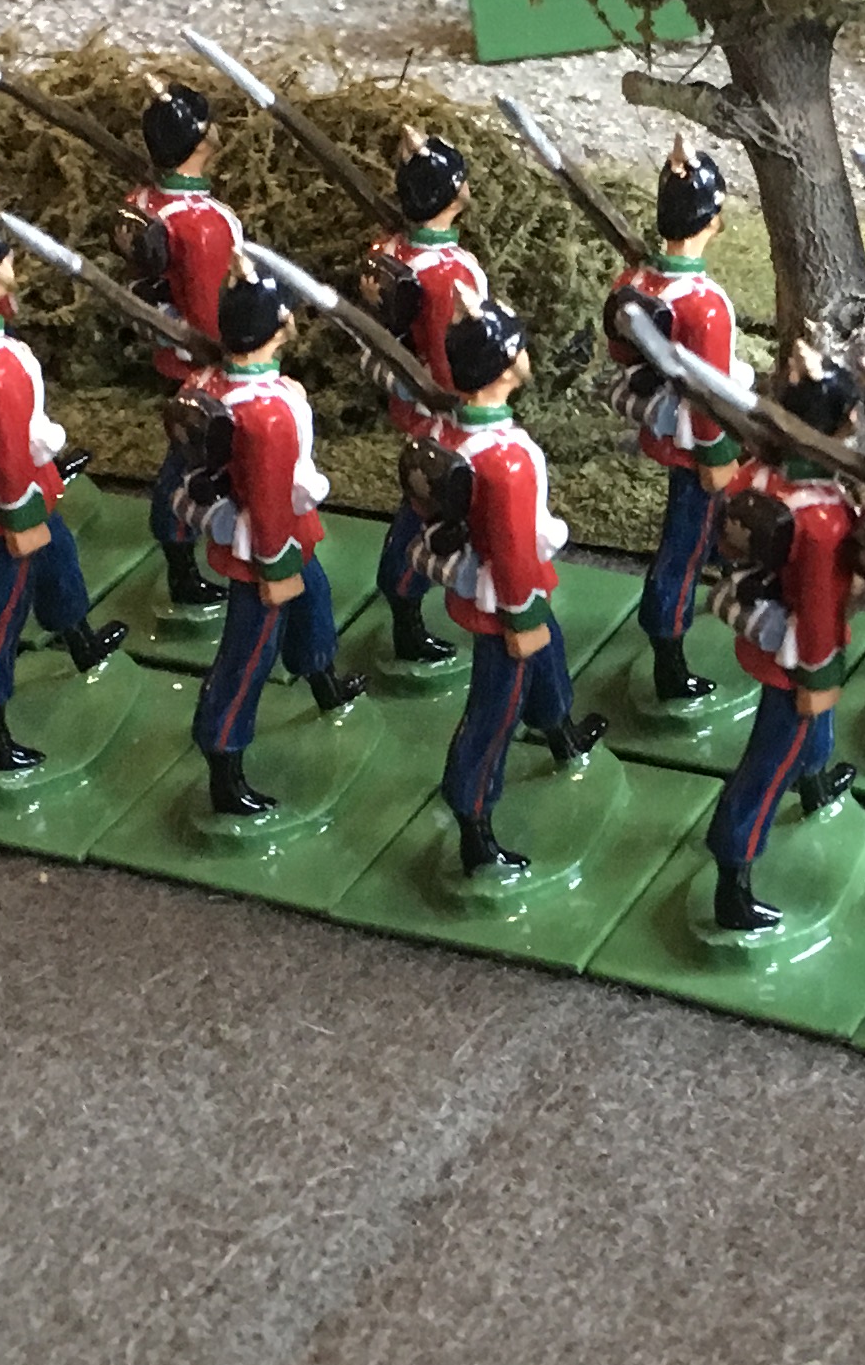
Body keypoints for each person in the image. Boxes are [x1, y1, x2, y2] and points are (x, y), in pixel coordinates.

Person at [0, 226, 128, 777]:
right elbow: (10, 455)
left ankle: (78, 638)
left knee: (60, 560)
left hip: (18, 486)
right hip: (12, 503)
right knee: (0, 613)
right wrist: (22, 518)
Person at [428, 304, 609, 875]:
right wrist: (521, 619)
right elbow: (511, 550)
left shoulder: (449, 431)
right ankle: (474, 822)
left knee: (549, 657)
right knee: (494, 713)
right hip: (508, 600)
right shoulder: (504, 460)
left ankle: (560, 730)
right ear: (505, 364)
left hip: (507, 586)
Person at [700, 354, 865, 935]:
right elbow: (819, 613)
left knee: (808, 739)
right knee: (769, 764)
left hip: (767, 623)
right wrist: (817, 680)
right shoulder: (823, 518)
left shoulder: (755, 474)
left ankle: (816, 782)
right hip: (798, 656)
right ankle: (734, 871)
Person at [180, 270, 360, 822]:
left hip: (283, 536)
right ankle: (224, 759)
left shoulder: (212, 385)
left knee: (315, 605)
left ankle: (322, 678)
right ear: (277, 326)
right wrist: (276, 569)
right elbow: (269, 499)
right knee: (247, 656)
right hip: (268, 548)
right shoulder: (267, 413)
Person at [616, 138, 747, 706]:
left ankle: (733, 585)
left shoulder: (636, 283)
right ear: (712, 219)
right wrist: (718, 459)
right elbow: (710, 396)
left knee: (714, 536)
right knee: (682, 550)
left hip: (667, 426)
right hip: (698, 446)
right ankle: (669, 657)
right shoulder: (704, 304)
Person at [365, 128, 493, 668]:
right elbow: (455, 354)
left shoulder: (389, 250)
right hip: (448, 413)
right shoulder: (451, 273)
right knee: (428, 509)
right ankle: (407, 601)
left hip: (415, 404)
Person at [120, 82, 239, 616]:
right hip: (208, 362)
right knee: (193, 461)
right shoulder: (204, 223)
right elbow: (215, 311)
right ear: (199, 137)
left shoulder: (143, 202)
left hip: (173, 348)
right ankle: (182, 555)